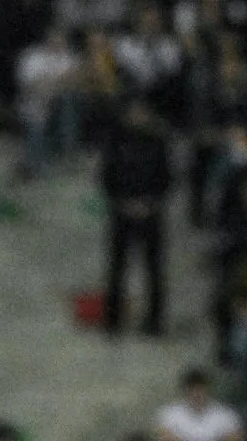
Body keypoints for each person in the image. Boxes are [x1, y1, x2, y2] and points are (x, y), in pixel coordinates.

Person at [100, 100, 171, 335]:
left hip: (151, 214)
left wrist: (150, 203)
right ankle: (112, 320)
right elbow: (106, 177)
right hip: (121, 213)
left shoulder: (158, 143)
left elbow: (167, 177)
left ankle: (155, 321)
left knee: (154, 270)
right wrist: (123, 203)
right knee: (117, 268)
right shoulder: (115, 142)